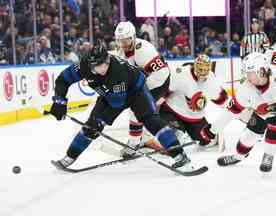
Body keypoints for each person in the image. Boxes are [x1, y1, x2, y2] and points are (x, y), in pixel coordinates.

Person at [49, 42, 198, 173]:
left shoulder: (117, 72)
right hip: (110, 93)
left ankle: (180, 156)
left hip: (136, 91)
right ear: (90, 64)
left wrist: (100, 121)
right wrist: (59, 102)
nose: (104, 66)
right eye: (100, 64)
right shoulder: (82, 66)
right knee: (91, 126)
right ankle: (69, 157)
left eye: (106, 62)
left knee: (150, 120)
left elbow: (117, 103)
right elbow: (63, 80)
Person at [205, 52, 276, 173]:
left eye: (251, 73)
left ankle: (268, 156)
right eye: (247, 73)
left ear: (262, 71)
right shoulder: (245, 89)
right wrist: (213, 130)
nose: (248, 77)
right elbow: (230, 111)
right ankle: (238, 156)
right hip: (262, 112)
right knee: (248, 137)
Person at [114, 21, 171, 157]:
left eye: (127, 40)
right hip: (147, 81)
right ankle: (142, 137)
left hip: (158, 81)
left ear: (133, 37)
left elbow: (160, 74)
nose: (124, 44)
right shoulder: (121, 51)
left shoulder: (143, 50)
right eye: (120, 41)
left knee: (136, 110)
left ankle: (134, 144)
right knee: (137, 110)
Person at [158, 54, 228, 149]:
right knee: (172, 138)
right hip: (172, 111)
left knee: (208, 142)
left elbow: (224, 101)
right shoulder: (181, 73)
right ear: (195, 66)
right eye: (200, 69)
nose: (202, 73)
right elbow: (164, 91)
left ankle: (195, 134)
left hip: (195, 118)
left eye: (205, 69)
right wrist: (154, 107)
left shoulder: (212, 81)